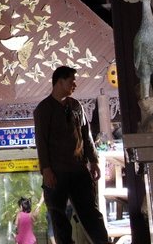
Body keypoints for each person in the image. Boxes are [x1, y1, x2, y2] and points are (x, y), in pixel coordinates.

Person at [33, 66, 109, 244]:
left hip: (78, 169)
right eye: (71, 81)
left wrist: (94, 160)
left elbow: (86, 135)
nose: (75, 84)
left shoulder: (76, 106)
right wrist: (46, 169)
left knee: (90, 213)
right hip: (56, 172)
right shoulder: (43, 109)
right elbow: (41, 141)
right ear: (59, 82)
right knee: (59, 217)